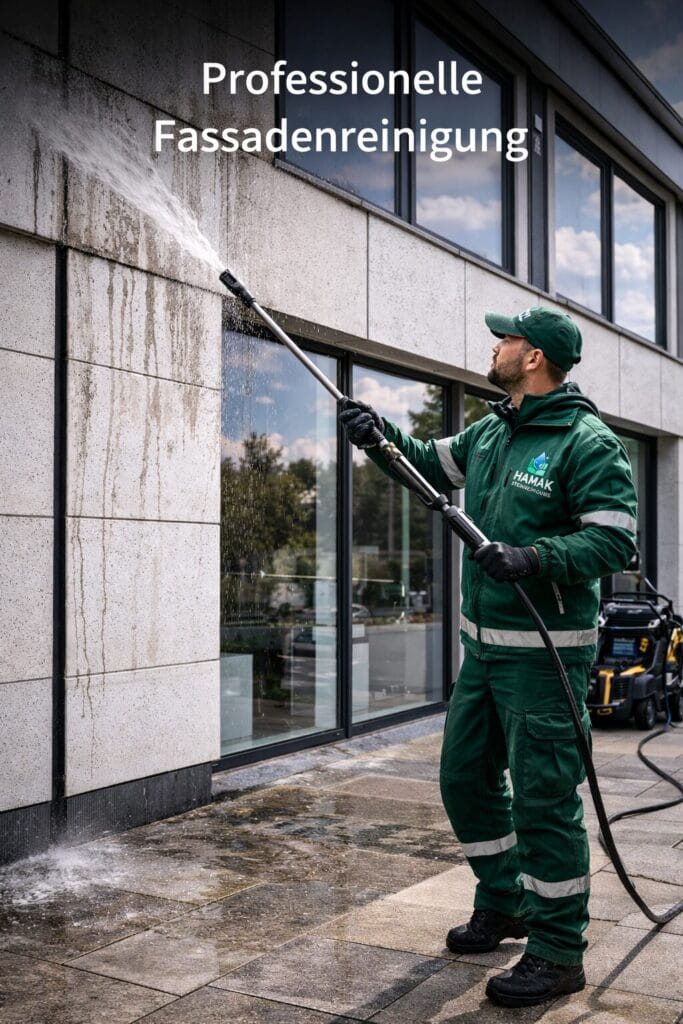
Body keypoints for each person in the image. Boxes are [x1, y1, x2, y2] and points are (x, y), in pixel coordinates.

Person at [339, 306, 637, 1009]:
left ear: (532, 357)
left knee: (542, 803)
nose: (496, 347)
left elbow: (614, 542)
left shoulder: (585, 442)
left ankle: (559, 951)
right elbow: (423, 464)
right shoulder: (492, 428)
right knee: (464, 780)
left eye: (504, 339)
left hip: (543, 659)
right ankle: (504, 902)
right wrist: (377, 438)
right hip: (483, 651)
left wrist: (534, 556)